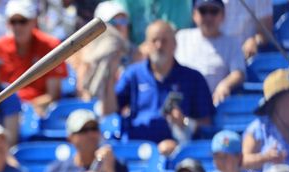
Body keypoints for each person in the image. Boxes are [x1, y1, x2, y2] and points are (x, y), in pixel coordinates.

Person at [102, 20, 215, 156]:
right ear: (146, 46)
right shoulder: (133, 74)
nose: (159, 46)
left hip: (178, 152)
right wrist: (108, 77)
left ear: (175, 45)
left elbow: (207, 124)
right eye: (154, 40)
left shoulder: (193, 78)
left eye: (165, 41)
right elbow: (109, 111)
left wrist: (184, 122)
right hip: (138, 150)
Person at [0, 0, 67, 116]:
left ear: (34, 21)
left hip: (39, 111)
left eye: (22, 21)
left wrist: (28, 108)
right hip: (6, 111)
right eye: (13, 22)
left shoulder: (50, 46)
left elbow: (53, 94)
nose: (17, 27)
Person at [174, 0, 245, 105]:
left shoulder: (232, 43)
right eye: (203, 11)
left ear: (223, 15)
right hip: (181, 103)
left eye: (214, 11)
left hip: (212, 106)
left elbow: (239, 73)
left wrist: (225, 85)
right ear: (194, 15)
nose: (208, 17)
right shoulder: (181, 37)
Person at [73, 0, 132, 102]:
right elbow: (83, 92)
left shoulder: (138, 54)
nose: (120, 26)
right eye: (113, 22)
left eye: (123, 21)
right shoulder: (85, 55)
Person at [117, 0, 192, 47]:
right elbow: (119, 29)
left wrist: (148, 49)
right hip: (132, 55)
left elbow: (179, 34)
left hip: (168, 54)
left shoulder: (181, 2)